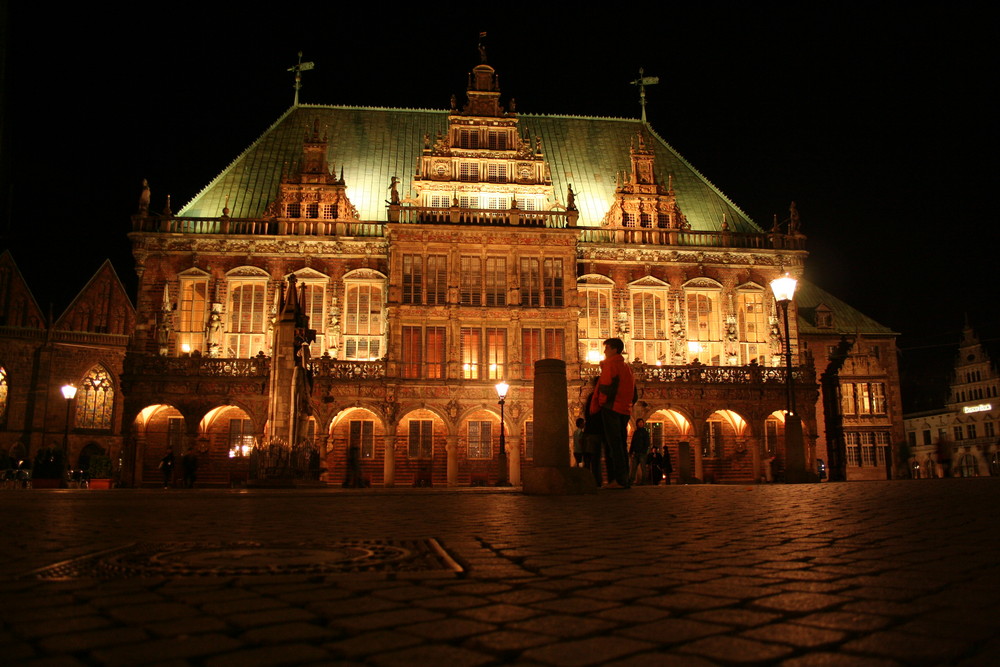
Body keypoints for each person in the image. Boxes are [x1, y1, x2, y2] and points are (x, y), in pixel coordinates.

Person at [589, 337, 635, 489]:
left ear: (614, 349)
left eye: (606, 348)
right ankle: (625, 479)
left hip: (612, 408)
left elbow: (606, 386)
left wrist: (602, 403)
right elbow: (634, 394)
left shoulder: (610, 365)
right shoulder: (626, 367)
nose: (604, 351)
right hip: (624, 409)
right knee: (621, 445)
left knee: (614, 445)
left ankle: (618, 480)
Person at [629, 418, 651, 485]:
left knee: (643, 467)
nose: (640, 423)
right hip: (636, 452)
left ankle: (643, 481)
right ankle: (631, 481)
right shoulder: (636, 432)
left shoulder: (645, 432)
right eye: (639, 422)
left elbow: (647, 442)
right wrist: (631, 451)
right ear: (637, 424)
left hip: (642, 453)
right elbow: (633, 442)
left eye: (642, 422)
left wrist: (644, 450)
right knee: (634, 468)